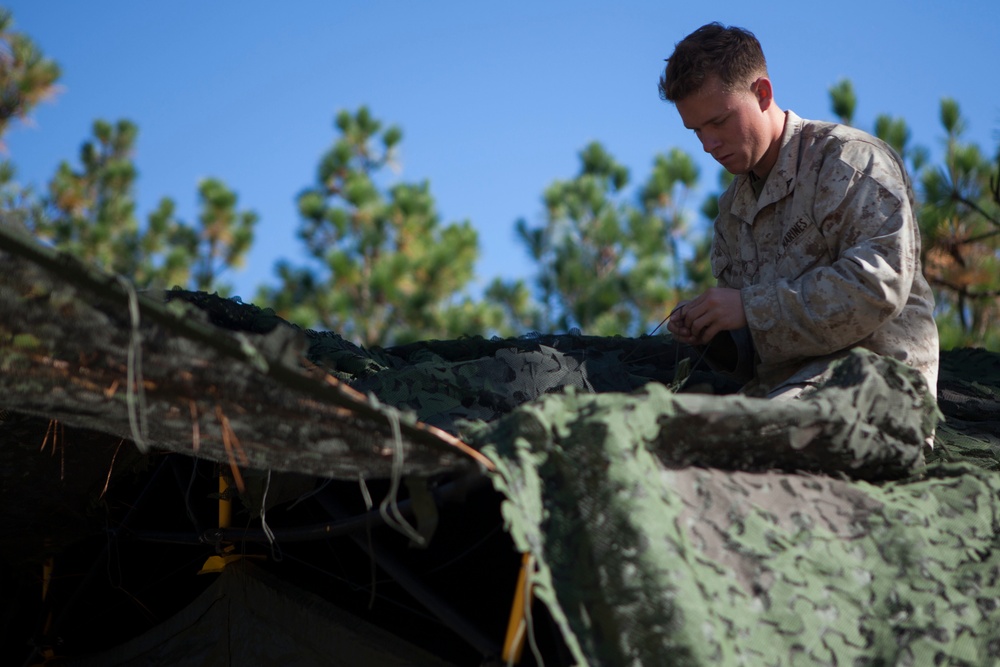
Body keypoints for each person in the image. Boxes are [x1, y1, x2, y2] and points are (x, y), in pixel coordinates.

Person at [660, 22, 939, 400]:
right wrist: (714, 333)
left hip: (872, 390)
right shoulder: (731, 212)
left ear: (762, 93)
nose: (708, 144)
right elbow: (757, 350)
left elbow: (878, 286)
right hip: (779, 394)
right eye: (696, 130)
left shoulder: (849, 162)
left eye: (719, 121)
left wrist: (749, 307)